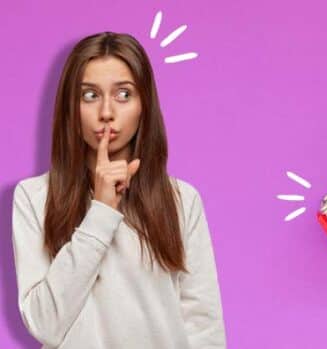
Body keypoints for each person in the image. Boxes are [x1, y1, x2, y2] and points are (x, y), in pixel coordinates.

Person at [11, 31, 227, 349]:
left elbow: (203, 327)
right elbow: (44, 325)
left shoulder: (181, 200)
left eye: (124, 94)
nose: (107, 112)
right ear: (71, 108)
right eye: (89, 95)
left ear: (144, 105)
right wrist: (101, 211)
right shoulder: (34, 197)